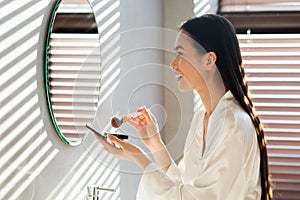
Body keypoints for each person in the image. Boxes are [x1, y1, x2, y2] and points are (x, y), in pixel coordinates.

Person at [95, 14, 272, 200]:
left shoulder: (233, 124)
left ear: (209, 60)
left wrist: (138, 157)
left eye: (180, 54)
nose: (173, 64)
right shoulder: (202, 118)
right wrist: (154, 142)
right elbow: (183, 186)